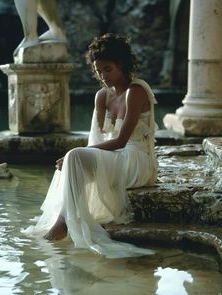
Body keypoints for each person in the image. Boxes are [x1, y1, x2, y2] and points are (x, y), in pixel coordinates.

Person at [24, 33, 157, 258]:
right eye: (98, 71)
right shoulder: (101, 97)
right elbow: (95, 141)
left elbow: (121, 141)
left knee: (73, 156)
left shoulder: (136, 92)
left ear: (122, 65)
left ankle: (62, 223)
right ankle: (63, 221)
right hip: (113, 156)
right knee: (74, 159)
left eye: (108, 69)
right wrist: (77, 157)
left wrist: (74, 156)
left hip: (135, 159)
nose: (103, 76)